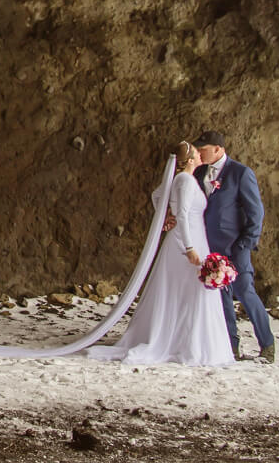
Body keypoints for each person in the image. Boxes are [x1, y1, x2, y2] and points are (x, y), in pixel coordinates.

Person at [85, 142, 235, 366]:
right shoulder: (184, 180)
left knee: (189, 291)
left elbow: (157, 196)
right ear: (190, 159)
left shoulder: (182, 179)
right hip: (186, 241)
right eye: (196, 151)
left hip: (193, 238)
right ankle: (183, 342)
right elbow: (182, 214)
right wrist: (189, 247)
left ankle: (185, 339)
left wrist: (164, 215)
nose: (200, 153)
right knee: (186, 291)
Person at [191, 130, 275, 363]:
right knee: (221, 298)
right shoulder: (199, 173)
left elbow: (255, 212)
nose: (200, 153)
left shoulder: (241, 173)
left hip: (235, 246)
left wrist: (245, 243)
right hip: (209, 246)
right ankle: (231, 346)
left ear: (218, 149)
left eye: (204, 149)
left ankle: (267, 345)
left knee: (245, 292)